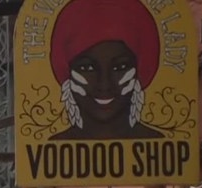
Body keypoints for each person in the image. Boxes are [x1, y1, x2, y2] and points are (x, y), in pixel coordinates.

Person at [48, 0, 164, 141]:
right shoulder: (54, 149)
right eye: (87, 68)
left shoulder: (158, 145)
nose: (104, 85)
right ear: (67, 73)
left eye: (120, 67)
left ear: (139, 71)